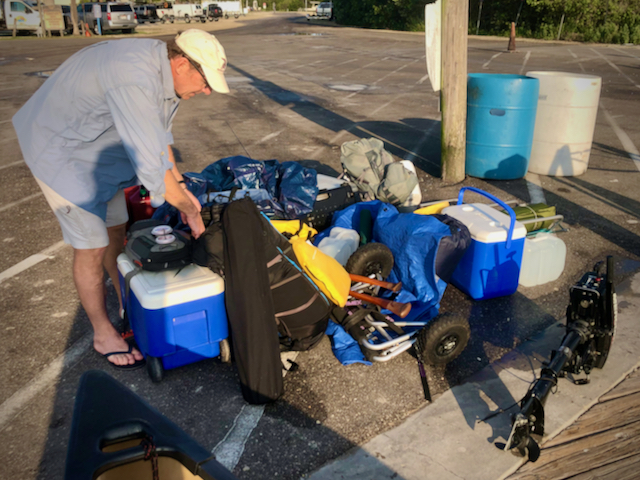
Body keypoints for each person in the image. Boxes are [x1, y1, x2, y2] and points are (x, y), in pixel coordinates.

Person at [12, 30, 230, 369]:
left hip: (101, 151)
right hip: (61, 151)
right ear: (183, 63)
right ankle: (102, 333)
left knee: (117, 231)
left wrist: (182, 189)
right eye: (205, 82)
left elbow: (161, 146)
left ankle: (128, 299)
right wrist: (190, 210)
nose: (205, 91)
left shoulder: (164, 72)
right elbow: (152, 172)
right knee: (92, 246)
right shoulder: (134, 77)